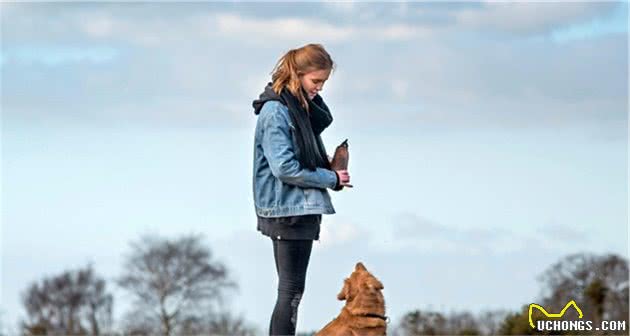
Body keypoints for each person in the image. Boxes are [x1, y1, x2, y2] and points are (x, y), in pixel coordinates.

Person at [251, 43, 352, 336]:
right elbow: (285, 168)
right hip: (288, 210)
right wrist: (330, 179)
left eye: (323, 82)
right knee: (291, 292)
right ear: (297, 74)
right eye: (315, 81)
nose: (319, 88)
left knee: (292, 291)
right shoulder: (276, 111)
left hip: (296, 207)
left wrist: (330, 169)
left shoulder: (299, 109)